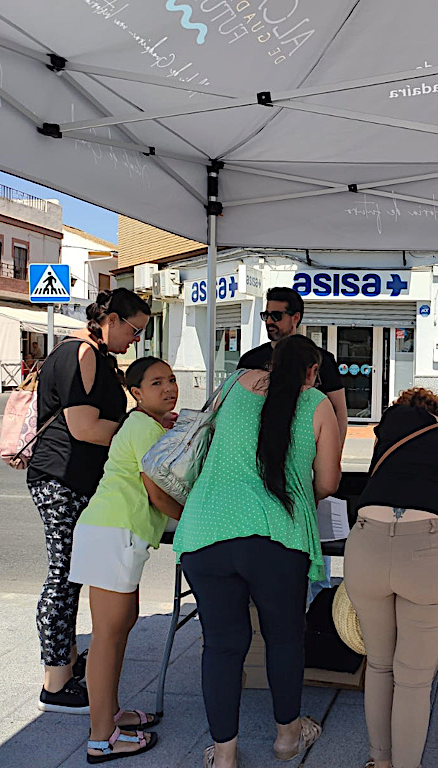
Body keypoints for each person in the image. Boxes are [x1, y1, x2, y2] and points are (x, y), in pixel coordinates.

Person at [174, 334, 342, 768]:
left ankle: (224, 754)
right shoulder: (318, 404)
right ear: (311, 372)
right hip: (276, 537)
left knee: (223, 644)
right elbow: (326, 483)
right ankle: (287, 738)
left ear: (271, 362)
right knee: (284, 638)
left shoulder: (234, 384)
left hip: (207, 529)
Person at [27, 288, 151, 714]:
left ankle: (69, 662)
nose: (136, 340)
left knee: (72, 573)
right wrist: (138, 433)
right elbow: (83, 427)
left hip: (76, 478)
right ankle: (55, 682)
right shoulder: (80, 352)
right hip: (61, 476)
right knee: (62, 576)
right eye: (135, 330)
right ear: (111, 320)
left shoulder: (98, 355)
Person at [345, 387, 438, 768]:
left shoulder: (384, 437)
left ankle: (379, 760)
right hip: (427, 553)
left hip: (365, 545)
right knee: (413, 679)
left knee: (379, 664)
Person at [68, 357, 182, 762]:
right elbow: (157, 493)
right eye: (156, 383)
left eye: (171, 380)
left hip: (117, 534)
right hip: (112, 533)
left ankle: (111, 714)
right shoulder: (144, 429)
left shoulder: (148, 426)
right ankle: (102, 738)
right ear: (136, 393)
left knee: (120, 629)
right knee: (107, 638)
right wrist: (193, 519)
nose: (169, 388)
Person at [238, 286, 348, 601]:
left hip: (308, 466)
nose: (269, 321)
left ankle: (313, 609)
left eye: (277, 315)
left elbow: (339, 412)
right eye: (265, 314)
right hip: (258, 466)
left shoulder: (321, 359)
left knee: (315, 560)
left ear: (296, 317)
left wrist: (331, 457)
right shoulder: (252, 359)